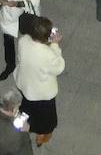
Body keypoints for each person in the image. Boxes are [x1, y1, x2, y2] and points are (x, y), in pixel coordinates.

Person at [15, 15, 65, 147]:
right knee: (46, 119)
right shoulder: (47, 54)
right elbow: (59, 67)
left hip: (25, 84)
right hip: (42, 92)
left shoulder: (23, 41)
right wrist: (54, 45)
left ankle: (19, 124)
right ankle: (41, 133)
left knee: (26, 107)